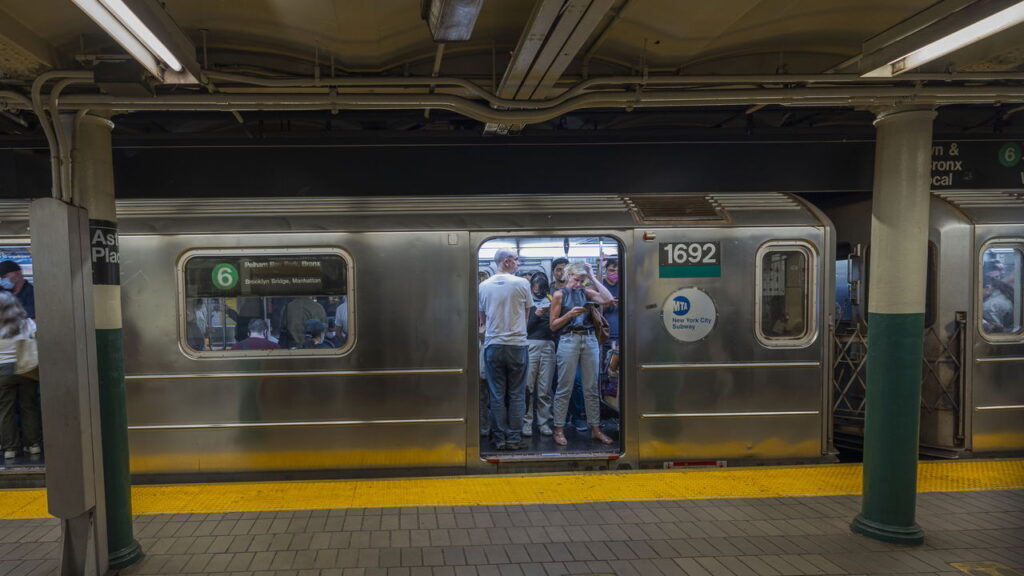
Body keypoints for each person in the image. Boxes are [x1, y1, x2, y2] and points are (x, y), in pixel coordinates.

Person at [549, 261, 614, 447]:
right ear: (569, 275)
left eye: (582, 280)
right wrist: (569, 315)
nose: (579, 284)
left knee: (591, 387)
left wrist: (592, 276)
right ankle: (559, 429)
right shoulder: (559, 295)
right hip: (569, 339)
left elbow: (608, 299)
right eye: (576, 279)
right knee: (565, 386)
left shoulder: (586, 291)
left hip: (590, 339)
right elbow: (553, 325)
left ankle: (595, 429)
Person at [478, 249, 531, 451]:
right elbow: (526, 318)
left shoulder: (483, 286)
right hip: (517, 345)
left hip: (493, 345)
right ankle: (514, 439)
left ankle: (499, 439)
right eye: (516, 260)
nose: (518, 263)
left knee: (496, 394)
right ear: (507, 261)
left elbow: (482, 320)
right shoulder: (522, 283)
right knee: (517, 393)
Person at [0, 292, 41, 460]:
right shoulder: (26, 323)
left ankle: (10, 448)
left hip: (3, 372)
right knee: (29, 406)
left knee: (5, 410)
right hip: (26, 368)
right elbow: (36, 336)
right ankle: (33, 445)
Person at [523, 272, 557, 438]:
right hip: (530, 344)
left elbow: (555, 326)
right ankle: (527, 422)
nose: (540, 293)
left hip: (548, 345)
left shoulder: (551, 300)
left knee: (544, 388)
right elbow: (523, 329)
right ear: (531, 288)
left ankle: (543, 423)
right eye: (537, 290)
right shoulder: (526, 302)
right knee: (528, 387)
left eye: (543, 290)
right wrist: (536, 316)